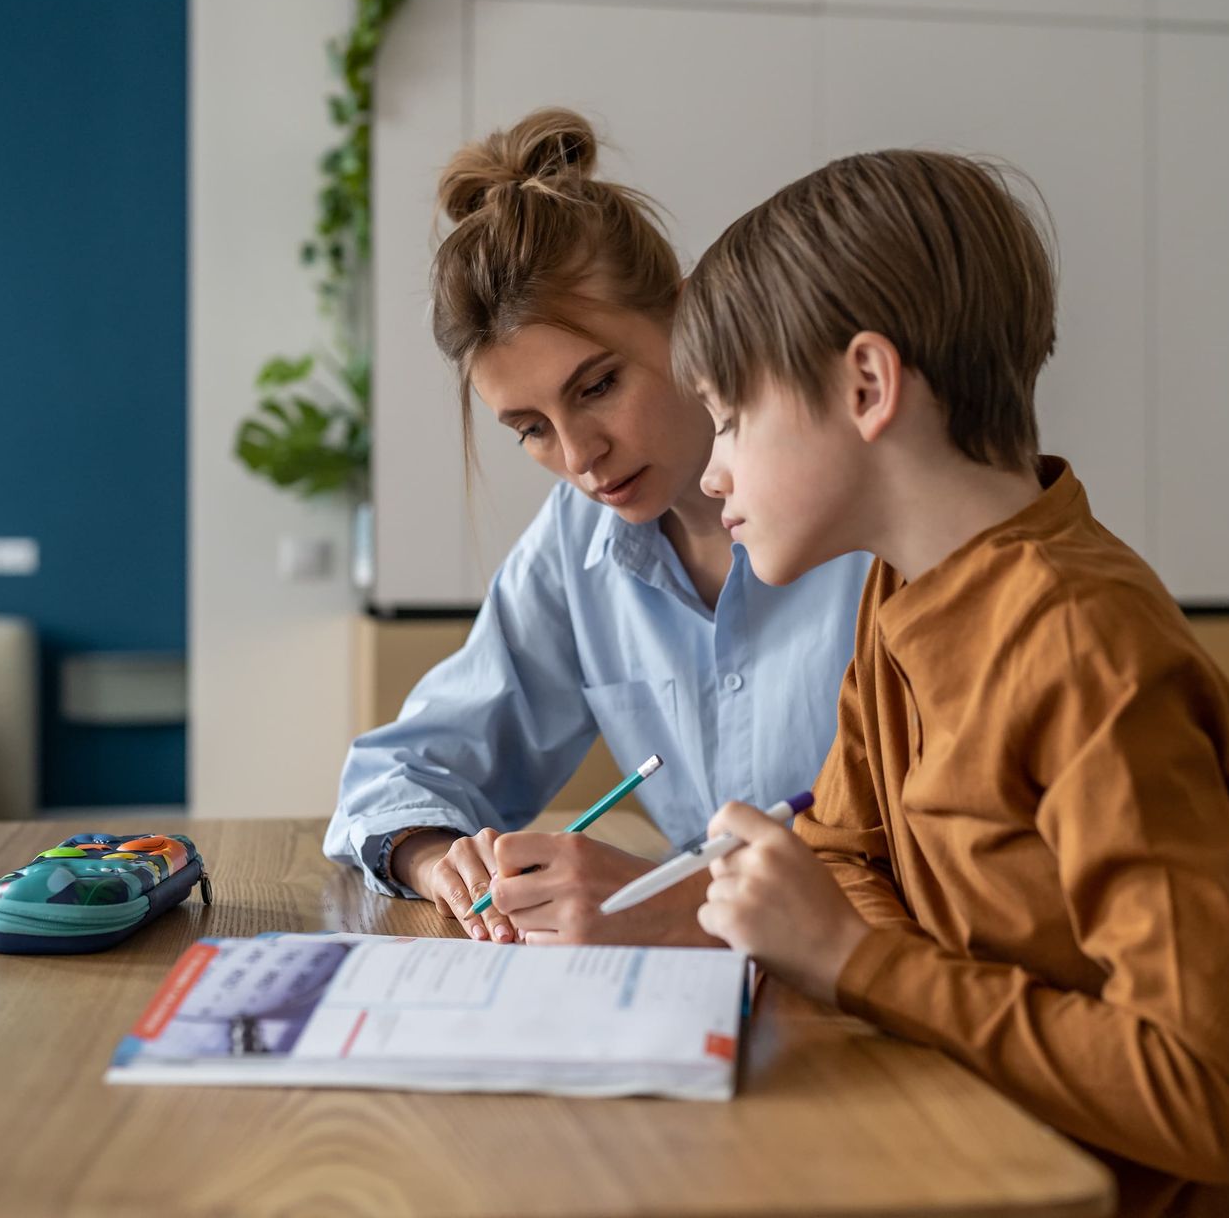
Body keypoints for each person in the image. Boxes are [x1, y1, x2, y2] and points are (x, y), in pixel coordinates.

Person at [668, 148, 1229, 1215]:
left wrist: (855, 959)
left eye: (729, 417)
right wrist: (843, 942)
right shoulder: (897, 589)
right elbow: (845, 853)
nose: (710, 471)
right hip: (979, 1159)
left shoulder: (1086, 648)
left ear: (865, 385)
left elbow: (1208, 1097)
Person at [324, 109, 870, 946]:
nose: (581, 456)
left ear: (691, 320)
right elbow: (399, 772)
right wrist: (439, 858)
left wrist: (673, 907)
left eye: (598, 386)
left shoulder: (866, 517)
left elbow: (947, 870)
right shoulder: (580, 541)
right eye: (531, 429)